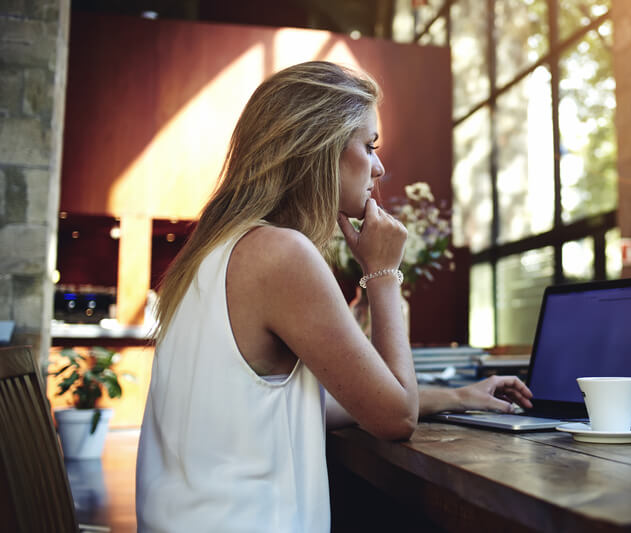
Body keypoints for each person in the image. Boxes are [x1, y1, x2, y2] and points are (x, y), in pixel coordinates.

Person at [136, 61, 532, 532]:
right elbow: (394, 419)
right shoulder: (280, 253)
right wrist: (383, 273)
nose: (379, 166)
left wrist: (456, 396)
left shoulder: (211, 252)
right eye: (369, 146)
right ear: (320, 146)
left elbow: (307, 405)